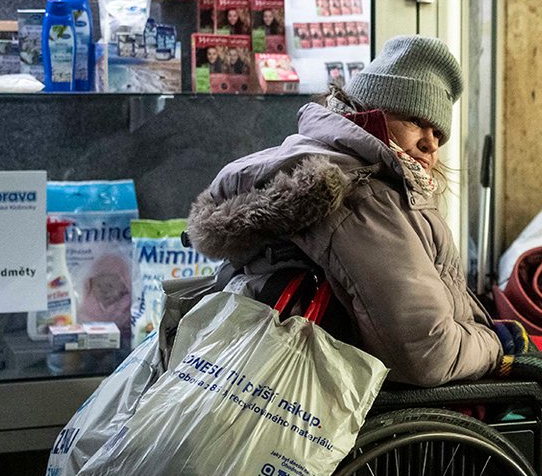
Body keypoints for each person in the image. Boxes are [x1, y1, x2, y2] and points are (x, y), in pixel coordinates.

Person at [185, 35, 501, 386]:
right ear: (371, 114)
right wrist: (496, 345)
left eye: (439, 133)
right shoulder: (364, 197)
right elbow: (428, 354)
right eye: (414, 120)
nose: (430, 143)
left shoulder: (325, 162)